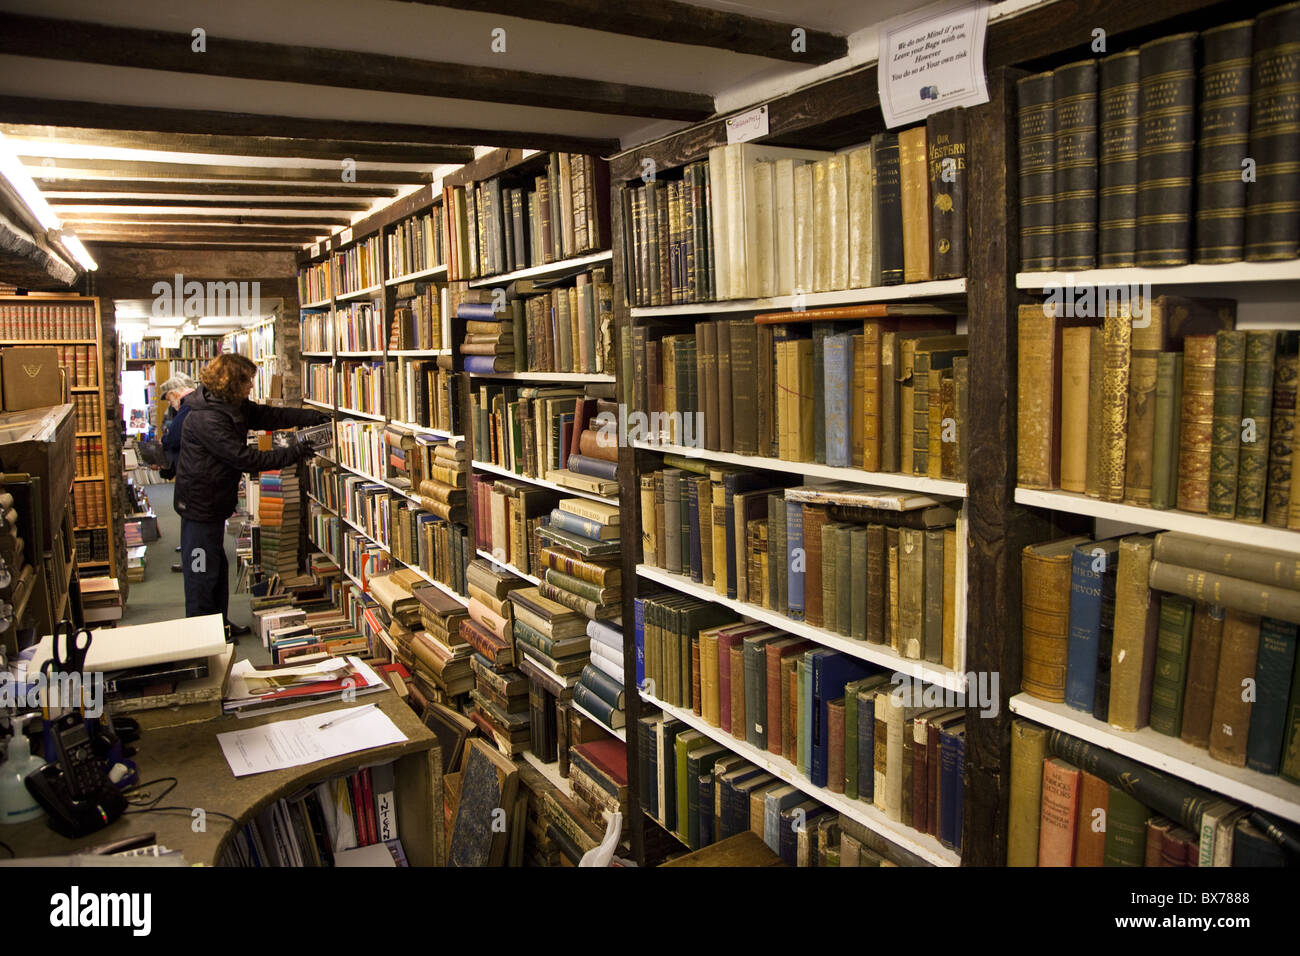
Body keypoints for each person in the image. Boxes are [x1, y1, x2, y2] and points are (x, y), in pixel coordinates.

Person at [175, 353, 329, 642]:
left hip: (212, 502)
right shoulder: (207, 418)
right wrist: (294, 451)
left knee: (216, 568)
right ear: (231, 383)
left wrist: (310, 417)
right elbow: (244, 458)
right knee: (201, 571)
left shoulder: (227, 404)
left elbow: (269, 415)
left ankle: (216, 627)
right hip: (199, 506)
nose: (251, 386)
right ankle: (199, 639)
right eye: (247, 381)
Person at [157, 374, 198, 573]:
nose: (170, 404)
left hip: (192, 476)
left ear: (174, 394)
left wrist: (165, 441)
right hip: (192, 473)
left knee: (193, 524)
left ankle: (194, 563)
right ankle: (193, 558)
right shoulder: (194, 403)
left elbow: (173, 438)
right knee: (191, 523)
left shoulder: (188, 406)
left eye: (168, 399)